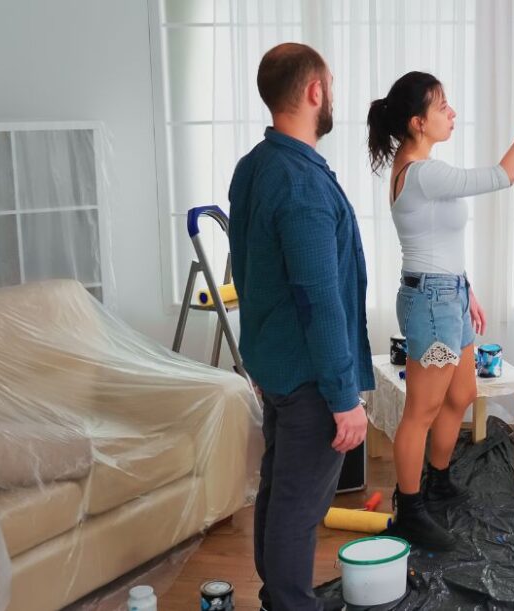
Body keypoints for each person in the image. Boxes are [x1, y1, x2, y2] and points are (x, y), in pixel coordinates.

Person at [366, 70, 514, 550]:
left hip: (449, 295)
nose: (452, 113)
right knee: (421, 411)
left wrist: (468, 291)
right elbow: (504, 176)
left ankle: (437, 482)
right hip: (432, 303)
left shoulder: (415, 165)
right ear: (418, 122)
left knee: (460, 395)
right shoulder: (423, 172)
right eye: (442, 106)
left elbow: (436, 239)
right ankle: (410, 508)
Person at [229, 42, 373, 610]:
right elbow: (319, 299)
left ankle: (276, 596)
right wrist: (343, 396)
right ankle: (289, 602)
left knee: (280, 487)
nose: (332, 94)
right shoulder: (302, 183)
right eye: (330, 84)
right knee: (299, 504)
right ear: (315, 91)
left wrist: (259, 360)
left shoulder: (255, 166)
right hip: (312, 378)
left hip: (277, 366)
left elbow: (252, 269)